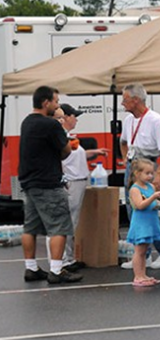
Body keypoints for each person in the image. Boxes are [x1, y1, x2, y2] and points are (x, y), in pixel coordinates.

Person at [19, 86, 83, 284]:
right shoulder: (51, 125)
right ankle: (57, 270)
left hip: (29, 182)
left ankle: (31, 268)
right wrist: (65, 138)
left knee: (30, 227)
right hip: (48, 183)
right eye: (55, 102)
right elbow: (65, 151)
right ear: (46, 102)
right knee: (59, 227)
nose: (57, 106)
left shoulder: (26, 122)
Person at [119, 83, 160, 269]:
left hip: (146, 164)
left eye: (125, 99)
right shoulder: (129, 120)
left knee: (146, 211)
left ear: (135, 100)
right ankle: (143, 255)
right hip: (133, 165)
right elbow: (123, 142)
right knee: (134, 211)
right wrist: (125, 160)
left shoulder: (155, 120)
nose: (122, 103)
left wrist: (158, 172)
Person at [47, 104, 110, 272]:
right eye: (74, 116)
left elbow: (74, 156)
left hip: (78, 181)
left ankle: (67, 258)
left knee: (71, 222)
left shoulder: (67, 136)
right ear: (66, 117)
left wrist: (94, 152)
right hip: (71, 182)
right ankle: (64, 260)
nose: (76, 119)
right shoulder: (60, 136)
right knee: (67, 222)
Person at [126, 158, 160, 287]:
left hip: (150, 221)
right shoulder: (135, 189)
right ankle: (138, 276)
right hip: (141, 223)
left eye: (151, 173)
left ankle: (143, 274)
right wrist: (153, 197)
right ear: (137, 174)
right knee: (139, 251)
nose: (150, 176)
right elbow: (140, 205)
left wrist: (159, 204)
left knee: (145, 251)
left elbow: (151, 204)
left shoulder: (150, 186)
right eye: (147, 173)